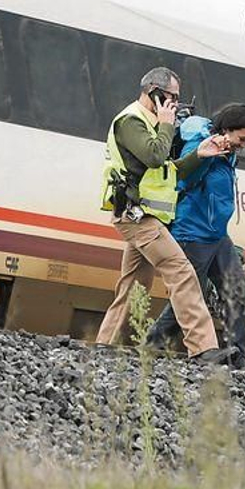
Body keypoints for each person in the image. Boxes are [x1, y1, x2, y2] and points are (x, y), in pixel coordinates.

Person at [94, 67, 232, 364]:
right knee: (181, 271)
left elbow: (167, 171)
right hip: (135, 215)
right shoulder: (131, 121)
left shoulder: (153, 124)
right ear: (154, 92)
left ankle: (105, 347)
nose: (176, 106)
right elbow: (155, 155)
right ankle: (203, 348)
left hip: (146, 215)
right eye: (172, 98)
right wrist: (168, 124)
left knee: (134, 284)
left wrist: (200, 154)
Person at [145, 102, 245, 369]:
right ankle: (150, 347)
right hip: (192, 233)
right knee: (188, 298)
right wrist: (206, 155)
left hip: (217, 236)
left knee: (238, 293)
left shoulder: (229, 150)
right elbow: (182, 179)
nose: (243, 144)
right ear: (227, 129)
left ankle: (238, 358)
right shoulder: (201, 142)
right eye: (242, 138)